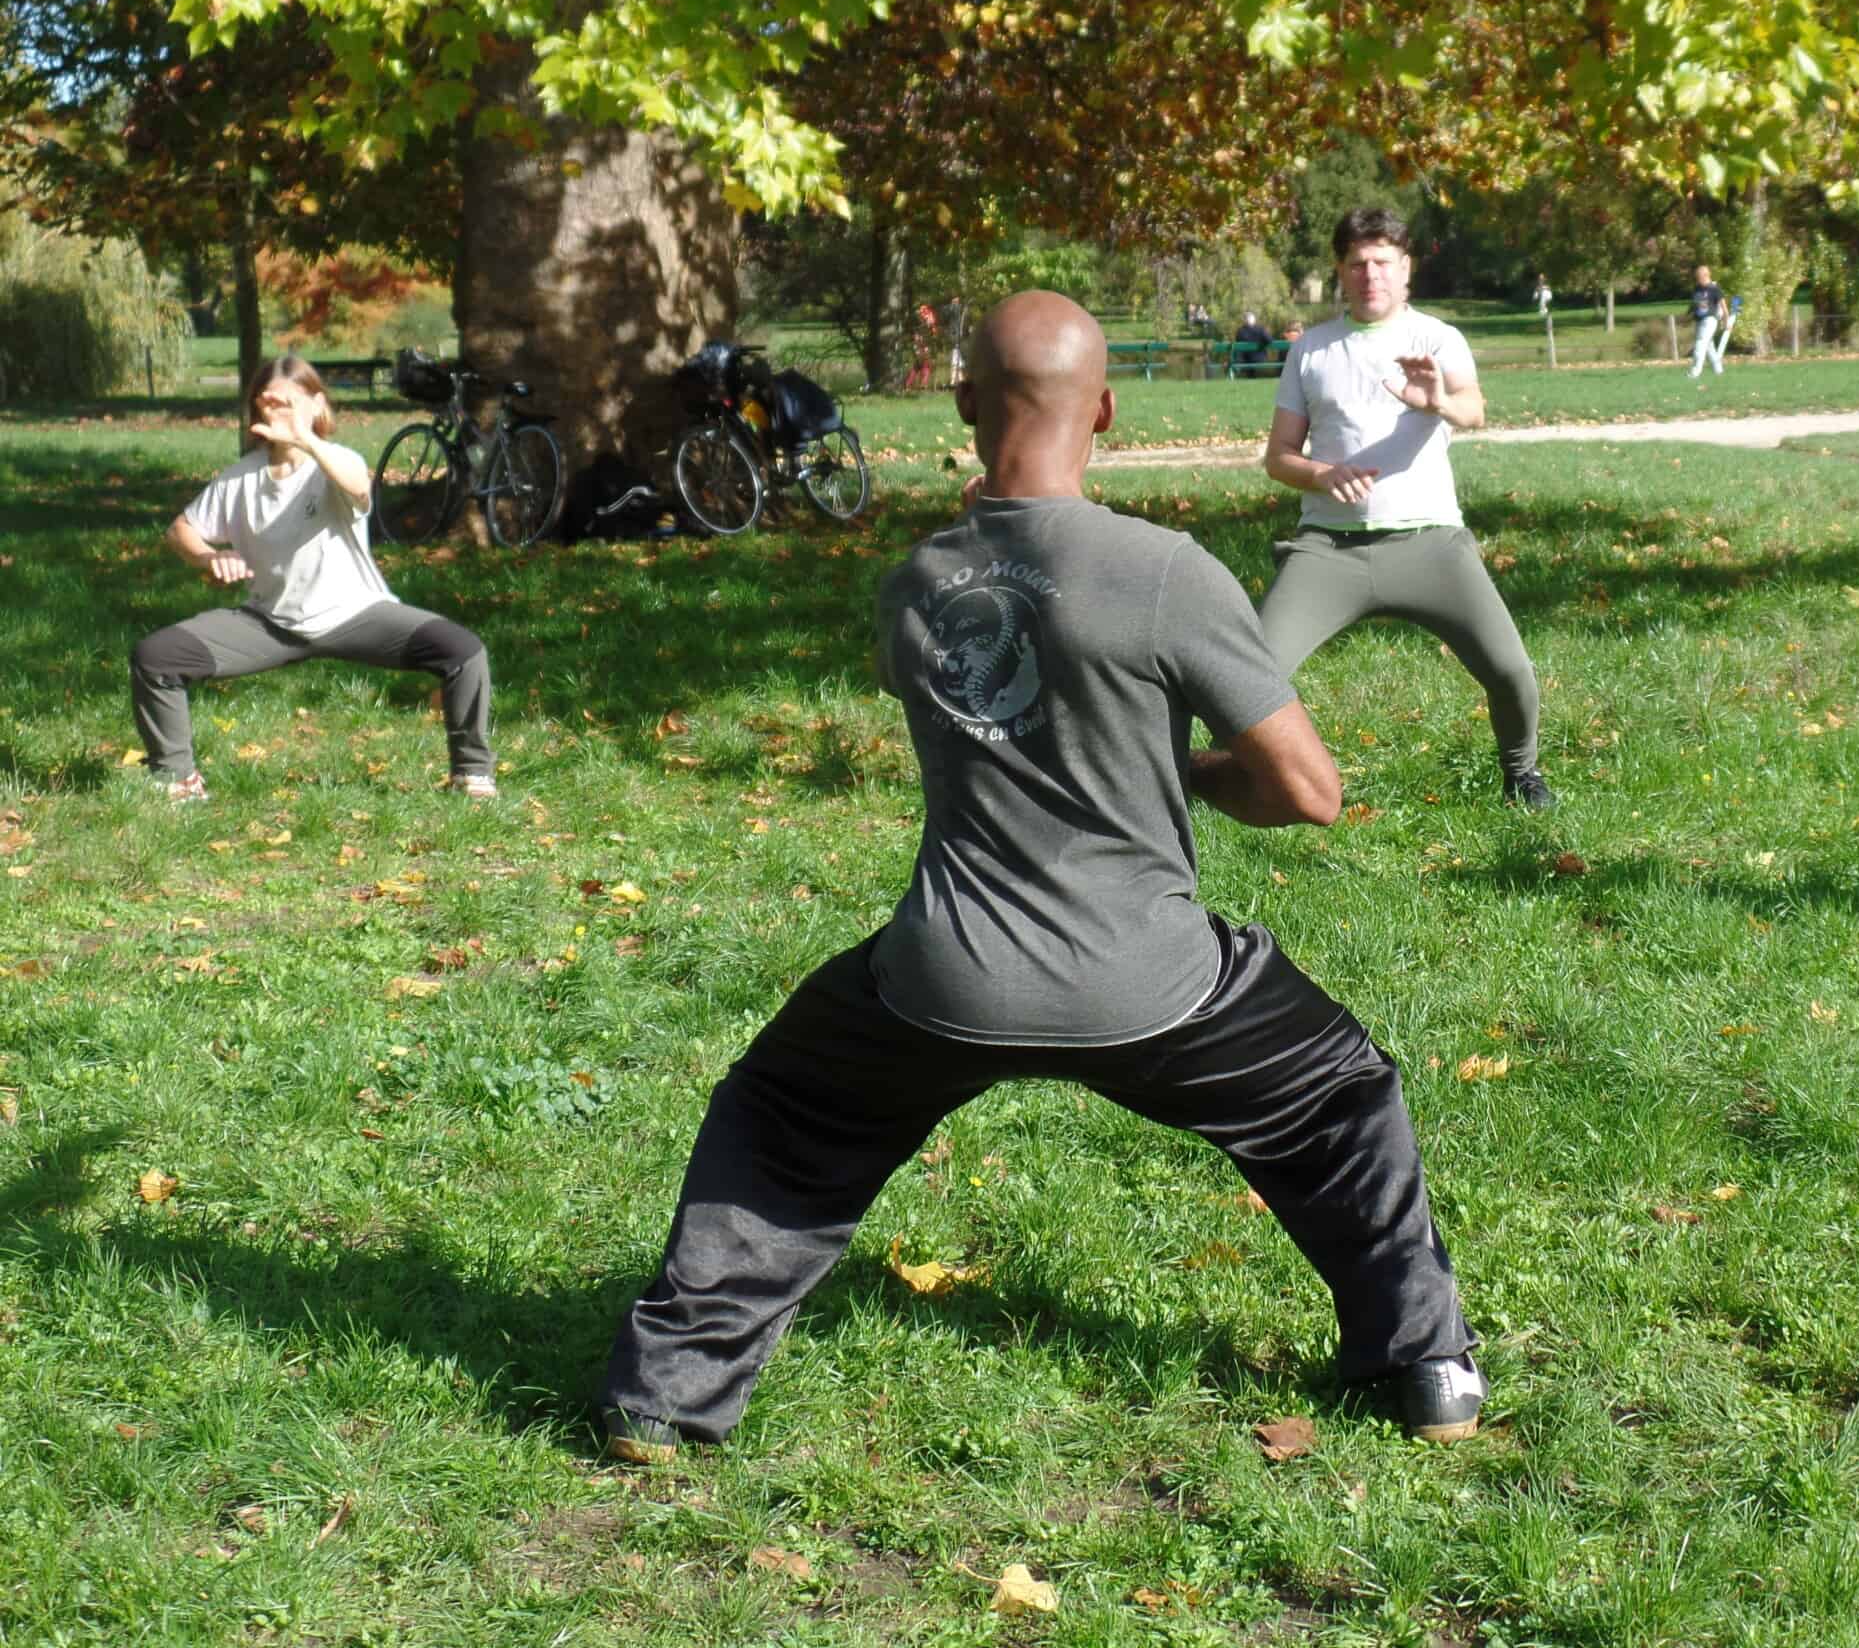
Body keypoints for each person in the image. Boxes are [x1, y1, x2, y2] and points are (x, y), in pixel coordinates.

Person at [598, 291, 1484, 1462]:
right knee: (1336, 1101)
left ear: (963, 403)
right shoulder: (1166, 571)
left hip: (941, 980)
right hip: (1153, 986)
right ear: (1106, 409)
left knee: (783, 1115)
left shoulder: (913, 586)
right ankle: (1427, 1369)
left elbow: (1002, 695)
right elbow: (1306, 795)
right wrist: (1183, 768)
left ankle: (662, 1402)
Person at [1257, 207, 1552, 809]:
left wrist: (1439, 399)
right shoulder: (1311, 351)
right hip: (1329, 549)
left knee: (1511, 669)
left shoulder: (1437, 339)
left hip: (1430, 543)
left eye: (1383, 263)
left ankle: (1522, 775)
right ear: (1340, 270)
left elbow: (1475, 411)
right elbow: (1278, 458)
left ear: (1405, 267)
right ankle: (1254, 781)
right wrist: (1321, 472)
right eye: (1358, 263)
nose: (1371, 275)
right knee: (1250, 675)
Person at [132, 356, 495, 803]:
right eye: (270, 406)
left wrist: (304, 439)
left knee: (463, 651)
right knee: (157, 657)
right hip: (269, 622)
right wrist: (209, 557)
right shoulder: (240, 478)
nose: (277, 415)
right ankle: (176, 780)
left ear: (316, 405)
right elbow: (181, 530)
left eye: (290, 404)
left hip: (357, 614)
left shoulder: (336, 461)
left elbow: (359, 488)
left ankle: (472, 775)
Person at [1686, 265, 1731, 378]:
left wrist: (1726, 322)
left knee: (1700, 344)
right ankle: (1718, 370)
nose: (1697, 280)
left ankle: (1695, 372)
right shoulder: (1697, 288)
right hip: (1699, 320)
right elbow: (1694, 304)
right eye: (1696, 277)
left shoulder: (1714, 289)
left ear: (1706, 275)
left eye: (1699, 277)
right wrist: (1688, 315)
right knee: (1709, 347)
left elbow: (1724, 308)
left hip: (1710, 320)